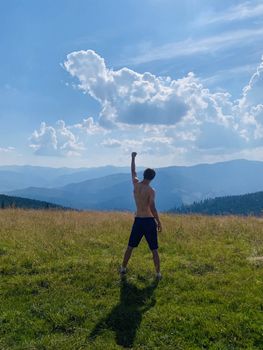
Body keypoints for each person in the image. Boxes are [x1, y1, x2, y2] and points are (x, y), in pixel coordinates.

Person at [120, 152, 162, 280]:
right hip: (148, 221)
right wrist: (159, 221)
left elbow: (133, 171)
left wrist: (133, 158)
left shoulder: (136, 184)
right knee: (154, 249)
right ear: (153, 178)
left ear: (144, 175)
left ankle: (123, 268)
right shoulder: (151, 191)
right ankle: (158, 273)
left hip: (138, 220)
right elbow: (152, 208)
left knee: (130, 246)